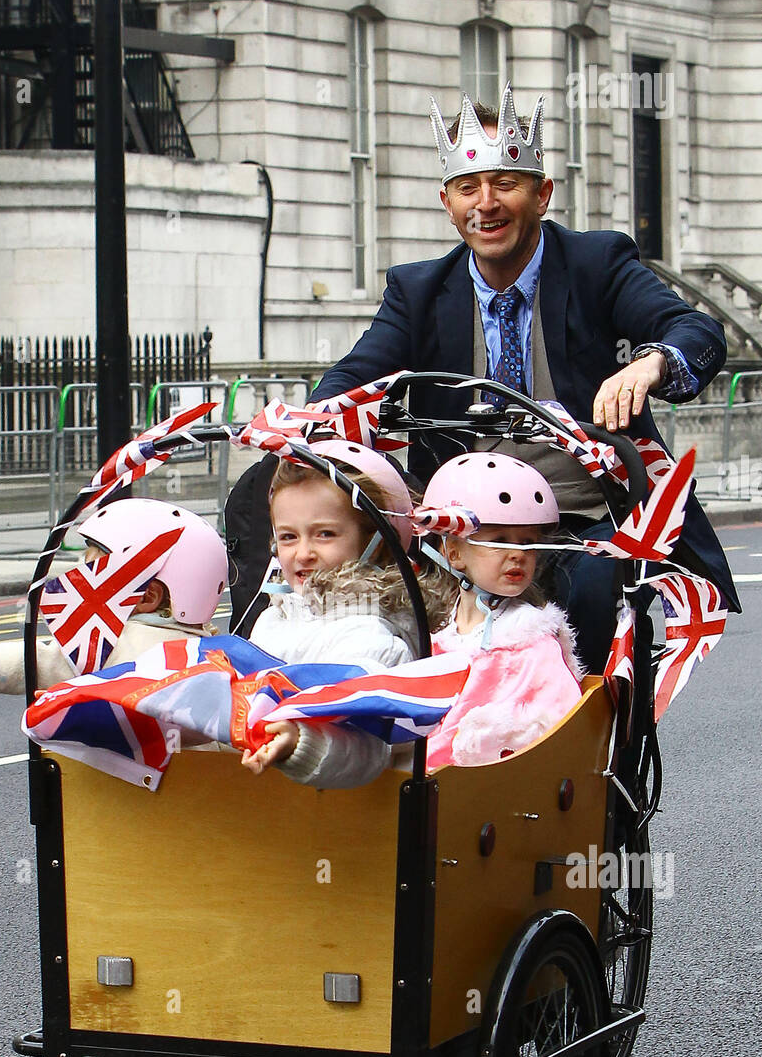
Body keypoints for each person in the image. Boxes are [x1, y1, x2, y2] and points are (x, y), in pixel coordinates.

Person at [310, 83, 740, 671]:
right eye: (468, 188)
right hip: (460, 528)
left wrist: (652, 361)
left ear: (542, 194)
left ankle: (586, 739)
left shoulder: (597, 264)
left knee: (593, 592)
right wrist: (305, 425)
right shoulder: (418, 290)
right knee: (388, 615)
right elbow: (354, 375)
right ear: (448, 202)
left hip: (583, 519)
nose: (485, 203)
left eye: (505, 184)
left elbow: (696, 330)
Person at [242, 437, 456, 781]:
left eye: (324, 534)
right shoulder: (277, 615)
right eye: (287, 537)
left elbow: (369, 745)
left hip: (347, 821)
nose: (303, 553)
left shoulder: (375, 635)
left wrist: (301, 742)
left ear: (376, 543)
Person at [0, 498, 229, 694]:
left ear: (147, 596)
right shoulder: (218, 655)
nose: (77, 579)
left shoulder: (107, 645)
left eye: (93, 571)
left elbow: (36, 662)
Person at [420, 453, 584, 770]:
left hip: (489, 776)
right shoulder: (439, 627)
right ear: (453, 552)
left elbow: (554, 721)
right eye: (499, 541)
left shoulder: (530, 639)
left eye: (527, 543)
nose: (517, 555)